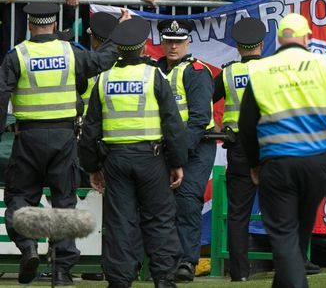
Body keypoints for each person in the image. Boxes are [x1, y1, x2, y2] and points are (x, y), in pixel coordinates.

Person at [238, 13, 326, 288]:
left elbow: (246, 125)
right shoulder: (323, 63)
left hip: (278, 162)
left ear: (279, 40)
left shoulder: (260, 70)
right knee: (297, 237)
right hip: (317, 163)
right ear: (307, 38)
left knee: (284, 238)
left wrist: (254, 164)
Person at [0, 2, 119, 285]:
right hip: (65, 138)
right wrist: (121, 34)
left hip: (27, 138)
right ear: (54, 24)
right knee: (64, 203)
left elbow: (1, 95)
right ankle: (62, 272)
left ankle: (28, 245)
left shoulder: (17, 55)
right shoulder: (71, 53)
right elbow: (102, 60)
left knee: (19, 197)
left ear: (30, 24)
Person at [78, 16, 187, 288]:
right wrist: (177, 162)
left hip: (115, 160)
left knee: (119, 222)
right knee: (159, 220)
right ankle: (163, 279)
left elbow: (90, 129)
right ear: (142, 48)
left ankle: (119, 281)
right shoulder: (155, 76)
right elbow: (172, 124)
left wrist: (92, 167)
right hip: (151, 158)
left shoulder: (103, 80)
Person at [156, 19, 216, 283]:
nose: (173, 46)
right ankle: (160, 260)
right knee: (156, 205)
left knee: (187, 199)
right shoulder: (153, 69)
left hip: (196, 147)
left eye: (178, 42)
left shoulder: (197, 71)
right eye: (169, 41)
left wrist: (178, 156)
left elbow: (199, 119)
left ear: (187, 42)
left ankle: (186, 262)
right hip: (161, 148)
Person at [213, 18, 266, 281]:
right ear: (262, 45)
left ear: (237, 46)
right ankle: (293, 263)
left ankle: (239, 273)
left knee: (238, 213)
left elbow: (203, 102)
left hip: (239, 148)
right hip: (270, 146)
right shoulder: (272, 70)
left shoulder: (228, 73)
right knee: (282, 209)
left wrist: (215, 126)